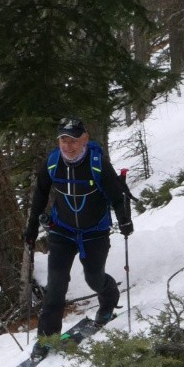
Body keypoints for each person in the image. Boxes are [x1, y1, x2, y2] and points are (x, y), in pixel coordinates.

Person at [25, 117, 133, 348]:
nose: (68, 145)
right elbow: (40, 194)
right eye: (63, 140)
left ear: (84, 139)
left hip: (95, 232)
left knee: (94, 279)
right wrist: (31, 228)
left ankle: (108, 300)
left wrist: (124, 219)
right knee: (56, 285)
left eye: (73, 140)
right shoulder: (53, 162)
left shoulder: (97, 163)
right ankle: (47, 337)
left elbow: (116, 194)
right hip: (62, 231)